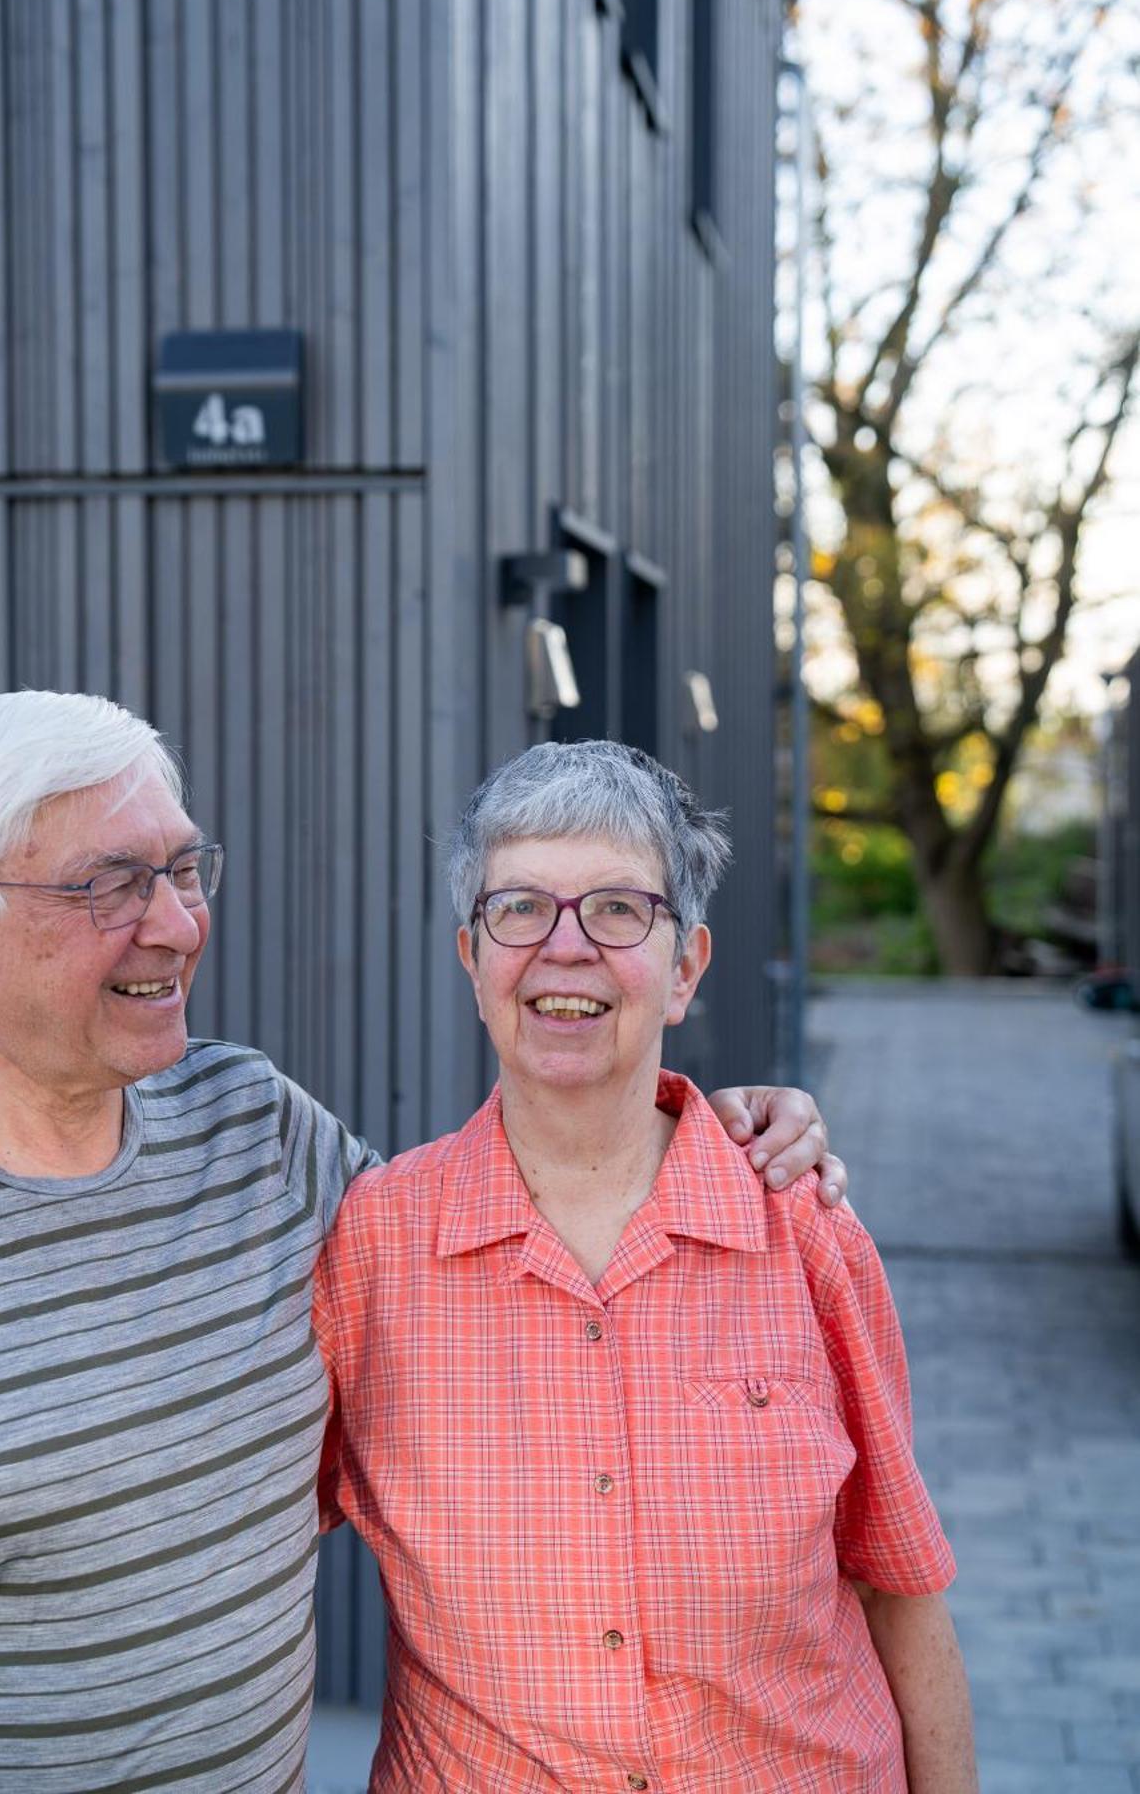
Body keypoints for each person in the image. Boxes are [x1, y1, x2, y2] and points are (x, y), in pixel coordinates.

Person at [0, 691, 840, 1792]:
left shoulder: (257, 1130)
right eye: (108, 883)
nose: (176, 923)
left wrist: (701, 1130)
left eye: (183, 867)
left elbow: (488, 1237)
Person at [316, 740, 978, 1792]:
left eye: (619, 908)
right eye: (520, 907)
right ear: (471, 957)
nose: (564, 948)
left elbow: (900, 1582)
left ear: (684, 967)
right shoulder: (373, 1246)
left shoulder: (803, 1228)